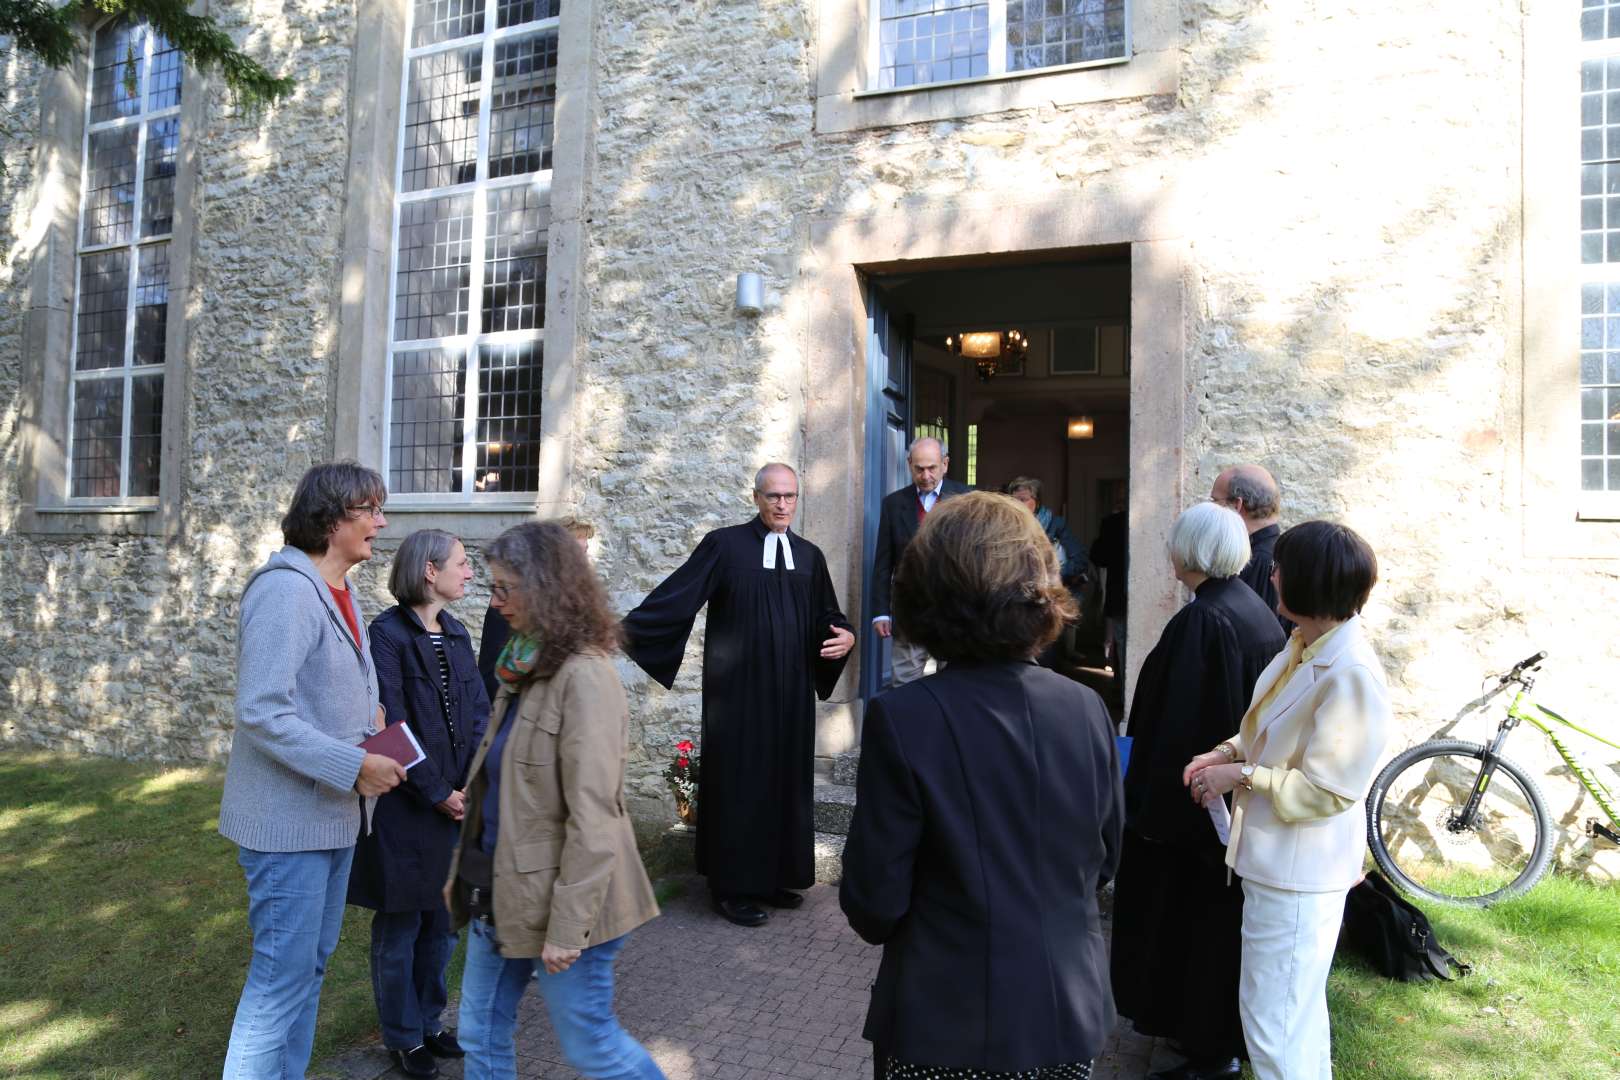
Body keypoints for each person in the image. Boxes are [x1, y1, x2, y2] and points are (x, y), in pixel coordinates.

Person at [841, 492, 1123, 1080]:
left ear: (927, 591)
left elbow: (874, 904)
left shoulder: (904, 718)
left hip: (942, 1022)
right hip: (1061, 1014)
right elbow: (1104, 860)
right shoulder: (1087, 709)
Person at [447, 521, 664, 1080]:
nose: (494, 604)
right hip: (503, 889)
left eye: (503, 589)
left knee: (592, 1047)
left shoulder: (584, 676)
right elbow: (497, 785)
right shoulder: (523, 664)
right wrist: (466, 871)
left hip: (568, 905)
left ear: (544, 587)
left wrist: (568, 929)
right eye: (490, 588)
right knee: (479, 1032)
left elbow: (594, 818)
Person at [1186, 521, 1392, 1080]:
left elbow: (1326, 791)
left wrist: (1241, 775)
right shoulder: (1302, 643)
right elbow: (1270, 729)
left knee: (1275, 1024)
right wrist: (1223, 752)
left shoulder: (1349, 673)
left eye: (1279, 566)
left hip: (1300, 873)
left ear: (1307, 581)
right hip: (1278, 864)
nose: (1270, 574)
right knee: (1288, 1015)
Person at [219, 461, 406, 1079]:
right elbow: (262, 710)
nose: (382, 522)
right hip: (287, 825)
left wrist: (369, 714)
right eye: (370, 510)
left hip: (332, 821)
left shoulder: (339, 591)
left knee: (309, 970)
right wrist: (353, 764)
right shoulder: (286, 590)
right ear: (331, 520)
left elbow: (322, 690)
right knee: (278, 984)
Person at [622, 464, 855, 927]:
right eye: (773, 496)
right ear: (756, 498)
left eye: (790, 496)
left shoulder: (809, 557)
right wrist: (627, 629)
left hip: (790, 697)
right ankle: (731, 886)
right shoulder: (725, 546)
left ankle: (773, 876)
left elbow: (827, 613)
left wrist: (845, 635)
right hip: (739, 696)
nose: (782, 504)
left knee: (783, 781)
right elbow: (680, 594)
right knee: (742, 784)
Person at [1109, 503, 1286, 1080]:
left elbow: (1178, 722)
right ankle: (1205, 1038)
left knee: (1194, 928)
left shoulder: (1206, 619)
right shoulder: (1248, 608)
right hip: (1223, 804)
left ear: (1187, 552)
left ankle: (1207, 1048)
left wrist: (1145, 813)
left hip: (1194, 811)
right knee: (1210, 927)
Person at [348, 529, 491, 1078]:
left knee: (441, 925)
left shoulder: (455, 633)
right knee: (401, 927)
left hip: (456, 802)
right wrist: (436, 793)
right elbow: (391, 725)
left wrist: (470, 788)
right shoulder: (385, 636)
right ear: (429, 571)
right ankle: (403, 1037)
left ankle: (431, 1023)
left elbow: (478, 713)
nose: (470, 572)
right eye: (461, 562)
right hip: (406, 807)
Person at [870, 437, 971, 684]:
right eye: (919, 468)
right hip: (910, 612)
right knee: (903, 687)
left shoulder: (967, 499)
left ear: (945, 464)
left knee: (955, 688)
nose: (925, 475)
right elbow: (884, 561)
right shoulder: (893, 504)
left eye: (932, 468)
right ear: (909, 465)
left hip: (955, 613)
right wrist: (881, 612)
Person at [477, 518, 595, 700]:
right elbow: (489, 677)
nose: (585, 563)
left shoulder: (582, 614)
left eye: (585, 553)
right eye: (578, 554)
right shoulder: (511, 606)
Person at [1210, 464, 1290, 633]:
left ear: (1237, 505)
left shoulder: (1258, 560)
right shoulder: (1279, 552)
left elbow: (1256, 638)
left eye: (1215, 501)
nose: (1211, 509)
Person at [1090, 489, 1128, 699]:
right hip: (1122, 592)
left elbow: (1098, 556)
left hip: (1118, 591)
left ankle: (1122, 690)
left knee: (1121, 641)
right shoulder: (1113, 523)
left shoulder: (1111, 523)